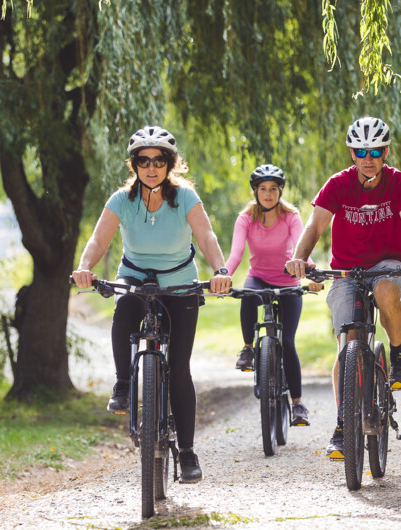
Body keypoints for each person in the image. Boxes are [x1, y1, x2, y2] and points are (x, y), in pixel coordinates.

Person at [71, 126, 231, 484]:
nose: (151, 167)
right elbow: (99, 239)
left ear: (170, 164)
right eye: (143, 160)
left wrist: (220, 270)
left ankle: (188, 453)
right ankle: (123, 384)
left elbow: (206, 236)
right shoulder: (121, 201)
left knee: (179, 369)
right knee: (124, 305)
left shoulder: (185, 197)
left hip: (179, 282)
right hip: (135, 276)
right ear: (134, 165)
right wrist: (85, 268)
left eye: (159, 160)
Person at [284, 116, 401, 460]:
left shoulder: (398, 182)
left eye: (376, 150)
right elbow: (315, 224)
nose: (369, 157)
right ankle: (341, 425)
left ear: (385, 152)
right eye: (362, 151)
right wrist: (299, 258)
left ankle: (396, 354)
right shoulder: (338, 184)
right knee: (348, 343)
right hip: (347, 269)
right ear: (353, 153)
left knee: (384, 291)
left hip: (389, 264)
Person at [224, 164, 322, 427]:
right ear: (255, 192)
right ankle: (247, 349)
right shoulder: (245, 218)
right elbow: (235, 255)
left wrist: (310, 274)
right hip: (259, 277)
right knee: (247, 294)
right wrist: (223, 275)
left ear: (280, 191)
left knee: (288, 342)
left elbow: (302, 250)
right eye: (263, 189)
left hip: (287, 280)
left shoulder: (291, 216)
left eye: (273, 189)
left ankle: (298, 403)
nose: (268, 194)